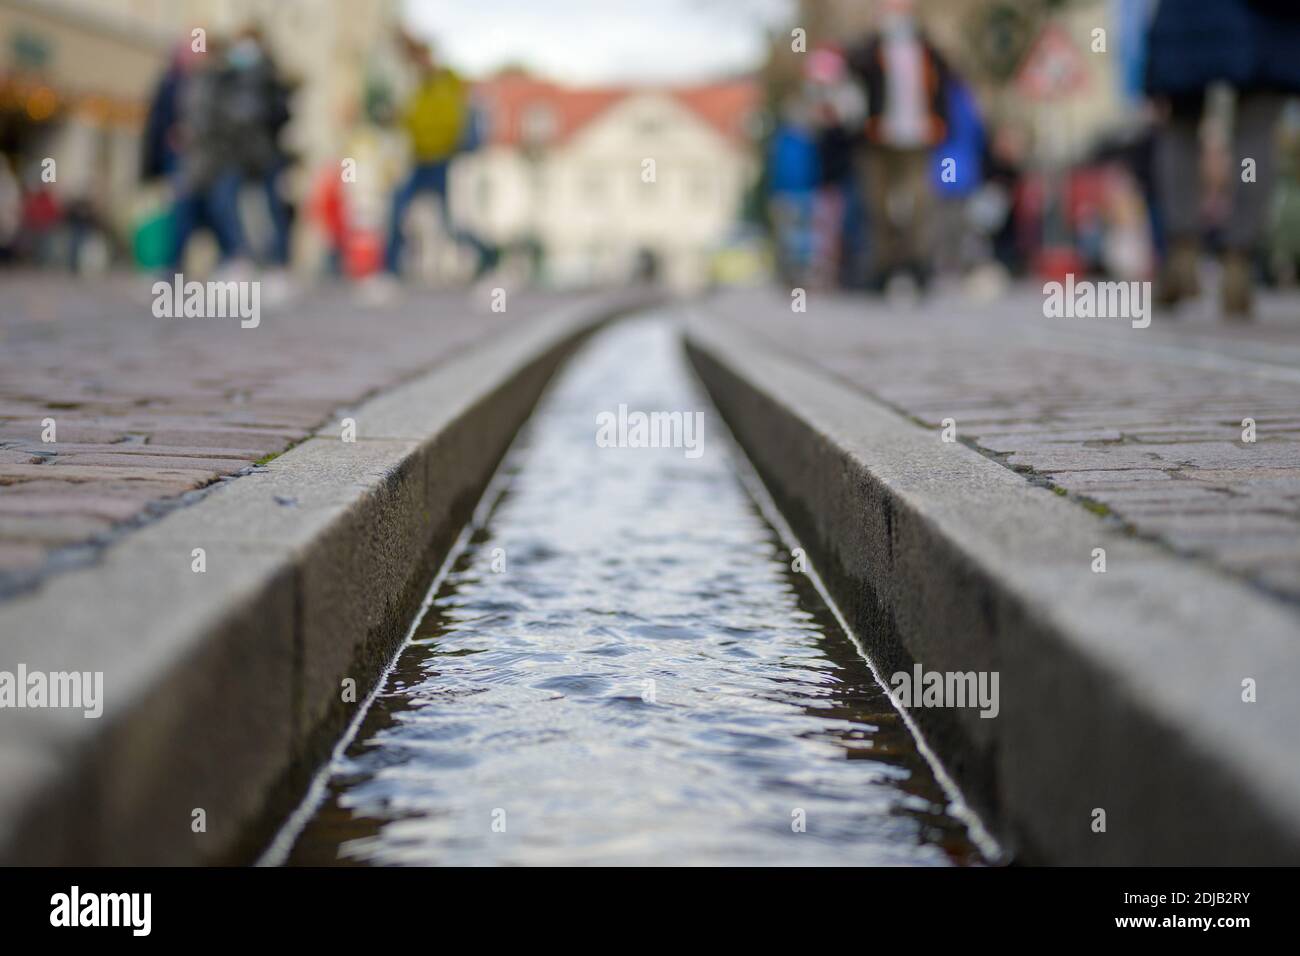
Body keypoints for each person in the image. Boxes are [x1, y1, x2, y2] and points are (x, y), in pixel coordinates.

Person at [1145, 0, 1300, 318]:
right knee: (1255, 134)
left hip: (1189, 12)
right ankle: (1238, 263)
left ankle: (1182, 252)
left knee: (1180, 125)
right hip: (1264, 18)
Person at [847, 0, 951, 293]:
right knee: (878, 206)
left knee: (919, 203)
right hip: (877, 137)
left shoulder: (927, 50)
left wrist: (940, 122)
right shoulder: (870, 49)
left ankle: (918, 266)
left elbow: (945, 83)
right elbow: (852, 71)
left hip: (918, 137)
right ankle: (882, 269)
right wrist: (875, 38)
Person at [384, 38, 493, 279]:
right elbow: (411, 122)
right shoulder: (418, 89)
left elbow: (451, 122)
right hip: (420, 161)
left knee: (452, 220)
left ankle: (487, 256)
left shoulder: (448, 85)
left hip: (443, 161)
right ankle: (390, 270)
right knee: (398, 208)